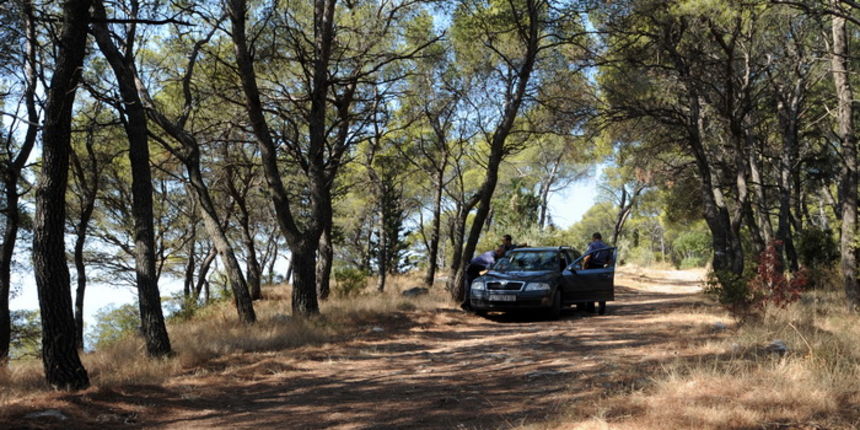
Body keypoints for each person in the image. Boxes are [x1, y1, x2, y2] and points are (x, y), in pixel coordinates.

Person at [461, 245, 506, 310]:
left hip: (477, 270)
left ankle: (470, 305)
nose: (502, 255)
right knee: (470, 287)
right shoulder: (490, 255)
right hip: (471, 268)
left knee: (475, 286)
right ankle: (465, 306)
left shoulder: (495, 256)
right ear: (498, 251)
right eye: (502, 253)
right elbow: (492, 267)